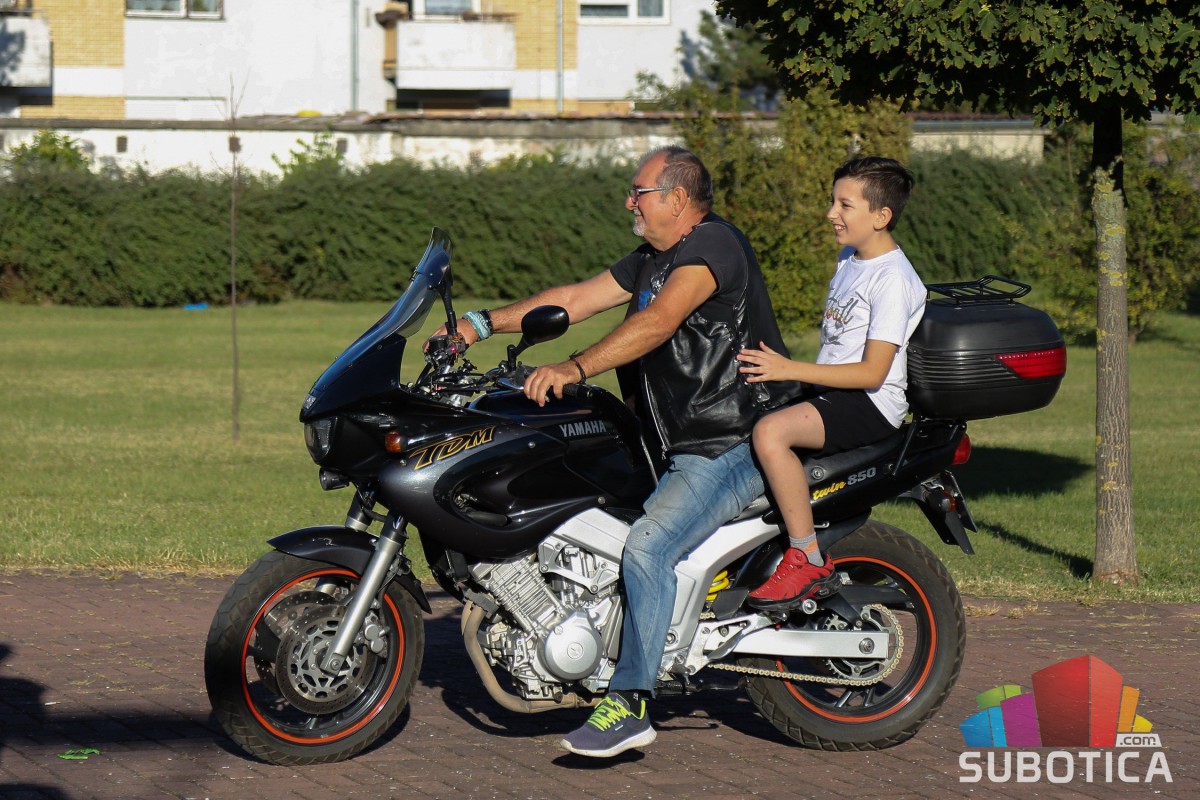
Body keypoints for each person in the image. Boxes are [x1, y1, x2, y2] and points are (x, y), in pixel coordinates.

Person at [431, 146, 793, 758]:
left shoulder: (714, 246)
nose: (630, 201)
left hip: (729, 440)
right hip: (671, 442)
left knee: (648, 545)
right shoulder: (653, 258)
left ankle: (630, 704)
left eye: (639, 191)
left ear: (678, 198)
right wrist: (479, 324)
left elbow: (659, 322)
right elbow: (576, 299)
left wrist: (573, 367)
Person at [737, 156, 926, 611]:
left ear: (881, 216)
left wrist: (789, 369)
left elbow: (872, 373)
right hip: (835, 392)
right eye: (832, 201)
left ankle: (806, 557)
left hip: (870, 403)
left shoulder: (893, 279)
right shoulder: (849, 260)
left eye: (845, 205)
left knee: (771, 433)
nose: (831, 214)